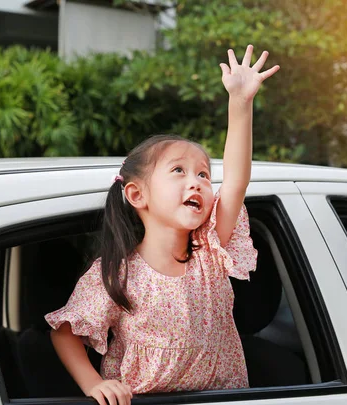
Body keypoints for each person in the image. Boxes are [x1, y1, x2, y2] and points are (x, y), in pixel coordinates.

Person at [45, 45, 280, 405]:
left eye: (203, 174)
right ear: (138, 195)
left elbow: (235, 181)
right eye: (178, 171)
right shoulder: (116, 274)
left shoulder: (210, 253)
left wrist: (240, 103)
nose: (197, 182)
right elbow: (64, 332)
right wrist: (94, 385)